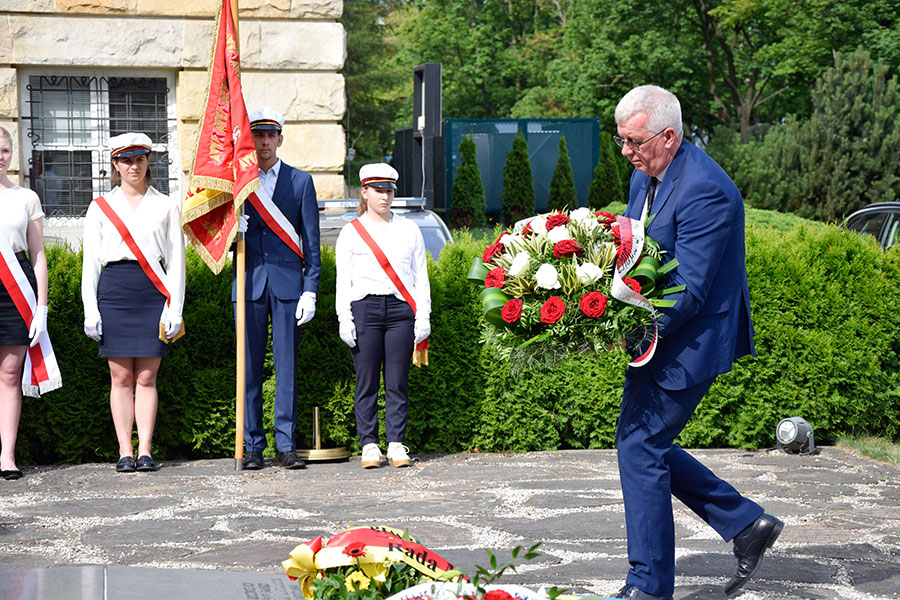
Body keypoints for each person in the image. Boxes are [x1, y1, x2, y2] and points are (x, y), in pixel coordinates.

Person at [610, 85, 782, 600]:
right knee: (642, 443)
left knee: (640, 447)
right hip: (657, 331)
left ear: (668, 135)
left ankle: (649, 587)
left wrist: (622, 319)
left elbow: (691, 287)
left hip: (692, 336)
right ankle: (746, 524)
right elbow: (633, 245)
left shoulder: (706, 188)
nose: (626, 152)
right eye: (621, 140)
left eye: (633, 141)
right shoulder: (647, 174)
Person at [81, 132, 185, 474]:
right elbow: (91, 263)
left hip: (152, 292)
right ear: (115, 164)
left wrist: (176, 308)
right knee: (120, 376)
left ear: (147, 162)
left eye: (139, 159)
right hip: (114, 290)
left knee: (147, 377)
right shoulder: (100, 207)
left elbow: (176, 261)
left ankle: (145, 450)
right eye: (126, 160)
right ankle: (124, 450)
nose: (133, 166)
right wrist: (90, 309)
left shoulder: (166, 204)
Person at [236, 108, 321, 471]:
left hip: (288, 286)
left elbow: (313, 244)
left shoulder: (300, 182)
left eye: (271, 135)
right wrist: (231, 232)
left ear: (280, 139)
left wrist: (311, 289)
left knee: (286, 369)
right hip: (249, 282)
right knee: (249, 370)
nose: (265, 142)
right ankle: (253, 445)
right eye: (258, 135)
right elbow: (220, 244)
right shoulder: (237, 184)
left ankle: (285, 444)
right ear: (250, 140)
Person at [335, 163, 430, 469]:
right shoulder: (351, 232)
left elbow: (421, 277)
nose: (385, 197)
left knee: (397, 381)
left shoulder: (409, 229)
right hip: (365, 309)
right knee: (366, 381)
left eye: (389, 191)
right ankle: (369, 445)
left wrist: (423, 316)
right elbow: (343, 281)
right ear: (364, 192)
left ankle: (396, 443)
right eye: (378, 191)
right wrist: (344, 318)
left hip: (401, 310)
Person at [0, 127, 55, 481]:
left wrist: (43, 307)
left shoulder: (26, 197)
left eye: (4, 149)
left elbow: (37, 256)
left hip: (14, 289)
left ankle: (7, 456)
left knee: (8, 375)